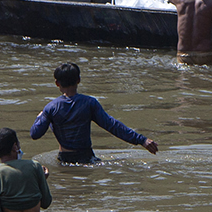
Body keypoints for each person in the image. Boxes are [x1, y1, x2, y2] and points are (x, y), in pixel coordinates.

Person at [30, 62, 158, 164]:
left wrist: (40, 117)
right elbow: (112, 125)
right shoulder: (89, 103)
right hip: (87, 158)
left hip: (65, 160)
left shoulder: (51, 108)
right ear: (78, 80)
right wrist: (141, 140)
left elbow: (35, 134)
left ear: (57, 83)